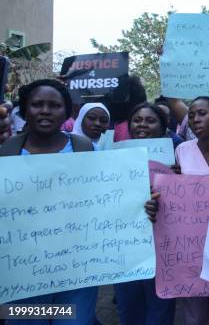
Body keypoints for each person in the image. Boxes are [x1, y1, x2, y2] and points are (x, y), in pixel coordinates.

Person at [0, 79, 98, 325]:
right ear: (24, 111)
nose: (45, 110)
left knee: (73, 321)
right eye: (37, 104)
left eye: (54, 105)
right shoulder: (6, 154)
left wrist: (141, 207)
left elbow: (109, 201)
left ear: (66, 112)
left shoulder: (85, 150)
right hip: (23, 277)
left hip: (77, 274)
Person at [114, 102, 176, 325]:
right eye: (137, 120)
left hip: (162, 244)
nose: (142, 125)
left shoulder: (176, 156)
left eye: (150, 120)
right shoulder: (113, 156)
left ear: (162, 126)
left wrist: (176, 181)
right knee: (129, 307)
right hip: (125, 246)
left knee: (159, 308)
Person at [173, 96, 209, 325]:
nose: (195, 119)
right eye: (192, 114)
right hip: (191, 245)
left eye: (202, 113)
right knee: (195, 313)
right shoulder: (182, 151)